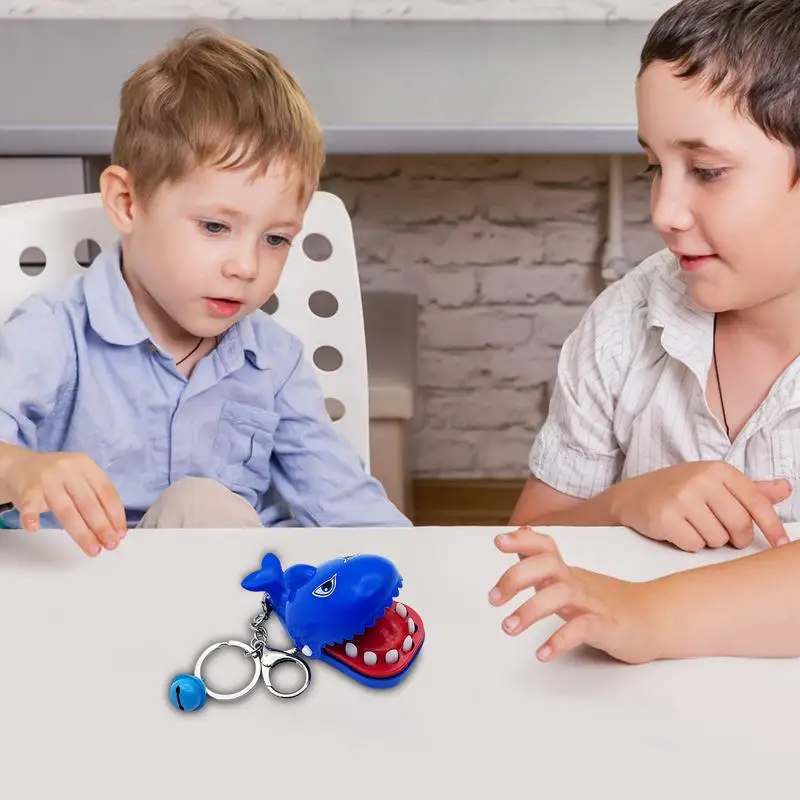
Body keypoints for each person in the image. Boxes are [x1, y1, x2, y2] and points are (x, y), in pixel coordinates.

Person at [0, 29, 409, 556]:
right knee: (200, 505)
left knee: (213, 513)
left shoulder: (274, 362)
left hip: (232, 615)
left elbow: (348, 509)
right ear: (127, 202)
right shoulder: (53, 333)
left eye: (276, 239)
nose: (245, 266)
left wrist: (428, 582)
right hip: (77, 601)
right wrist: (22, 469)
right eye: (215, 227)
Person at [490, 0, 800, 662]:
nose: (663, 211)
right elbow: (530, 535)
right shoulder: (626, 323)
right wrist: (625, 501)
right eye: (654, 167)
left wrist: (648, 615)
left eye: (707, 171)